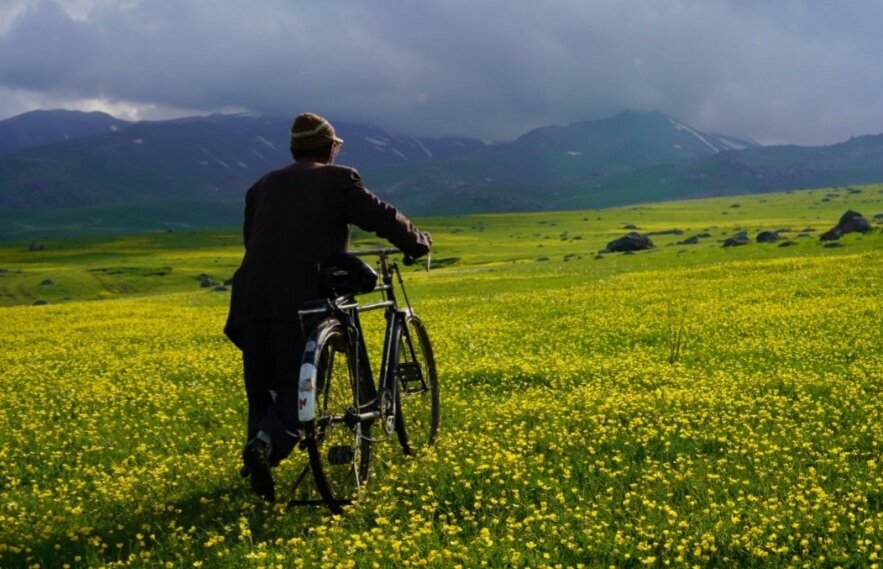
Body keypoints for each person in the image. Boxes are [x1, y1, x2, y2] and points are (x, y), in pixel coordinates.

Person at [224, 112, 432, 501]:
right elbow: (382, 216)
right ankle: (267, 443)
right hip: (301, 297)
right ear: (329, 149)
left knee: (262, 384)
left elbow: (255, 241)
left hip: (251, 298)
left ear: (293, 148)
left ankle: (260, 455)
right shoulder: (339, 179)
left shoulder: (262, 186)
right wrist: (416, 241)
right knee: (301, 382)